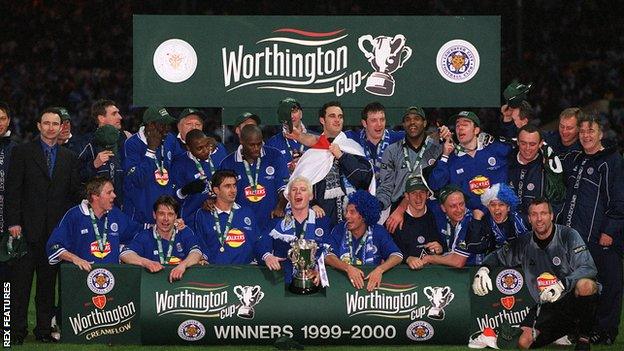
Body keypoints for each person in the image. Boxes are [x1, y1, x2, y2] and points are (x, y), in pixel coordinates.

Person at [472, 198, 598, 350]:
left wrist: (561, 284)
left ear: (551, 216)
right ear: (529, 219)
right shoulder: (524, 242)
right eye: (534, 214)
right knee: (523, 343)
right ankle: (565, 331)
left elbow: (588, 267)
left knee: (586, 285)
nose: (539, 219)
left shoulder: (568, 235)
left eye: (543, 213)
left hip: (570, 299)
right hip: (545, 304)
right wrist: (484, 269)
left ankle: (584, 339)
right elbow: (498, 256)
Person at [6, 107, 81, 344]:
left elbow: (74, 194)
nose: (50, 127)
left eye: (55, 123)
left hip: (55, 235)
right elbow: (13, 190)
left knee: (47, 287)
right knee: (21, 286)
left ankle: (43, 331)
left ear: (61, 127)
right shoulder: (22, 152)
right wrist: (13, 222)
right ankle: (16, 332)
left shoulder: (69, 157)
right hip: (26, 230)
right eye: (46, 123)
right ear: (38, 126)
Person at [557, 114, 624, 344]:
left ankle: (605, 331)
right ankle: (582, 328)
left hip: (602, 238)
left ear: (601, 133)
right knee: (581, 285)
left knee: (609, 284)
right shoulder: (577, 159)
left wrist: (610, 231)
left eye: (591, 131)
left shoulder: (612, 160)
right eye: (583, 131)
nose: (586, 136)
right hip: (577, 238)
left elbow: (619, 199)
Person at [287, 101, 374, 225]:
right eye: (332, 116)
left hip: (352, 217)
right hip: (322, 218)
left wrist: (342, 156)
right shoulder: (312, 153)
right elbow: (298, 187)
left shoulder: (352, 147)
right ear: (322, 120)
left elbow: (364, 179)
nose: (337, 120)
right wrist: (312, 204)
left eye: (340, 116)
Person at [46, 176, 141, 270]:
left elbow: (136, 232)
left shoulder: (115, 214)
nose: (114, 195)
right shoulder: (75, 215)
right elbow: (54, 245)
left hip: (111, 277)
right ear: (95, 196)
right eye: (109, 192)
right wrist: (75, 259)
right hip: (81, 276)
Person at [377, 106, 442, 232]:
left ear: (424, 123)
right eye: (407, 119)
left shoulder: (436, 148)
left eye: (416, 119)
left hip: (429, 207)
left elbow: (438, 183)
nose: (412, 122)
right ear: (403, 124)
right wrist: (377, 206)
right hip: (398, 212)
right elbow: (386, 187)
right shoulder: (392, 151)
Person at [430, 111, 512, 210]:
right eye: (457, 125)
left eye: (465, 124)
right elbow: (435, 185)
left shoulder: (495, 149)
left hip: (497, 216)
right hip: (468, 219)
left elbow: (522, 147)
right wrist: (445, 155)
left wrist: (508, 119)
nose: (460, 128)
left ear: (476, 130)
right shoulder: (451, 159)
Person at [324, 190, 403, 292]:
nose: (347, 216)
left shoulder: (378, 231)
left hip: (370, 289)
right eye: (346, 211)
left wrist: (380, 270)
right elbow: (327, 256)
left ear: (364, 216)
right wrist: (348, 268)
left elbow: (397, 256)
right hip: (342, 288)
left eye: (352, 212)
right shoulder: (339, 229)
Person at [261, 176, 332, 284]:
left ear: (310, 196)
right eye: (294, 190)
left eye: (303, 190)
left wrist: (320, 269)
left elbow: (328, 252)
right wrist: (267, 256)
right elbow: (260, 244)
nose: (298, 193)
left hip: (313, 282)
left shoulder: (322, 222)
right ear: (289, 196)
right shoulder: (276, 223)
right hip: (282, 282)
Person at [219, 124, 289, 229]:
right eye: (251, 145)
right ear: (241, 141)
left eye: (259, 144)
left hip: (271, 219)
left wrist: (280, 207)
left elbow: (284, 188)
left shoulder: (275, 156)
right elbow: (222, 195)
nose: (256, 148)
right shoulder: (228, 163)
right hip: (241, 223)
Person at [120, 195, 202, 282]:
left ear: (175, 216)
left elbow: (196, 252)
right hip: (153, 288)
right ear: (154, 215)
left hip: (181, 288)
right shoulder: (146, 235)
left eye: (170, 214)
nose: (166, 219)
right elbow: (125, 254)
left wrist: (183, 265)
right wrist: (146, 263)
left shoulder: (184, 232)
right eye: (161, 214)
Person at [192, 170, 264, 264]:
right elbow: (201, 243)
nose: (233, 190)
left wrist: (267, 256)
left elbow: (257, 242)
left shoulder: (247, 213)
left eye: (234, 185)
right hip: (213, 272)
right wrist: (202, 258)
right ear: (216, 190)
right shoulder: (203, 214)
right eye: (227, 186)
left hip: (243, 273)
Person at [122, 106, 177, 225]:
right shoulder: (132, 144)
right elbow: (138, 179)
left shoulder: (170, 140)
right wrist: (151, 150)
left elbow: (180, 165)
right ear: (151, 125)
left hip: (165, 217)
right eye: (163, 124)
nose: (167, 128)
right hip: (140, 219)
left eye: (169, 125)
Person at [408, 185, 483, 269]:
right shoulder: (436, 209)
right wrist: (399, 211)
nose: (459, 210)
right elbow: (413, 200)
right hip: (449, 271)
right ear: (443, 208)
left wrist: (429, 258)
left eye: (461, 204)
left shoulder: (469, 222)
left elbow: (457, 262)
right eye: (453, 206)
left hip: (472, 271)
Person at [508, 125, 564, 215]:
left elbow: (557, 203)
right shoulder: (506, 162)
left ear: (541, 143)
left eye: (532, 144)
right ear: (517, 141)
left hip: (535, 227)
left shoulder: (548, 169)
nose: (527, 148)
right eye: (523, 143)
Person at [344, 102, 404, 181]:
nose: (379, 124)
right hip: (360, 191)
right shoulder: (351, 138)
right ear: (364, 123)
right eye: (374, 120)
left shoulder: (398, 138)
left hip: (390, 190)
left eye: (382, 120)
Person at [393, 176, 444, 270]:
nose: (418, 197)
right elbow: (388, 250)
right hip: (403, 274)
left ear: (427, 194)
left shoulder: (436, 215)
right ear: (407, 196)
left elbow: (446, 243)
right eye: (413, 193)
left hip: (434, 273)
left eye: (422, 192)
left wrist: (440, 248)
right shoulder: (395, 220)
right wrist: (407, 258)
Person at [172, 129, 220, 224]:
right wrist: (185, 190)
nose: (205, 150)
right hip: (191, 219)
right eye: (199, 148)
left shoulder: (218, 155)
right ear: (188, 148)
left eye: (207, 145)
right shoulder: (179, 164)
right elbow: (173, 199)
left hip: (217, 217)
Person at [468, 183, 530, 257]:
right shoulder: (484, 223)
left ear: (508, 207)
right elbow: (475, 248)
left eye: (501, 204)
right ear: (488, 207)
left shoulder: (523, 220)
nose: (497, 208)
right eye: (493, 205)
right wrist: (477, 220)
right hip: (494, 265)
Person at [79, 99, 131, 183]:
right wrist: (94, 165)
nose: (120, 117)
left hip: (125, 195)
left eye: (118, 113)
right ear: (101, 118)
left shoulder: (127, 139)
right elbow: (77, 177)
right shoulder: (87, 143)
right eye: (114, 114)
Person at [266, 98, 310, 173]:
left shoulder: (315, 138)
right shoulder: (271, 143)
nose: (291, 116)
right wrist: (288, 169)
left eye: (294, 111)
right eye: (285, 113)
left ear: (301, 114)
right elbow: (268, 172)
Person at [0, 102, 16, 282]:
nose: (0, 123)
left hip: (9, 224)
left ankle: (5, 311)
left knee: (6, 277)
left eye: (3, 118)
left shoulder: (17, 149)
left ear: (9, 121)